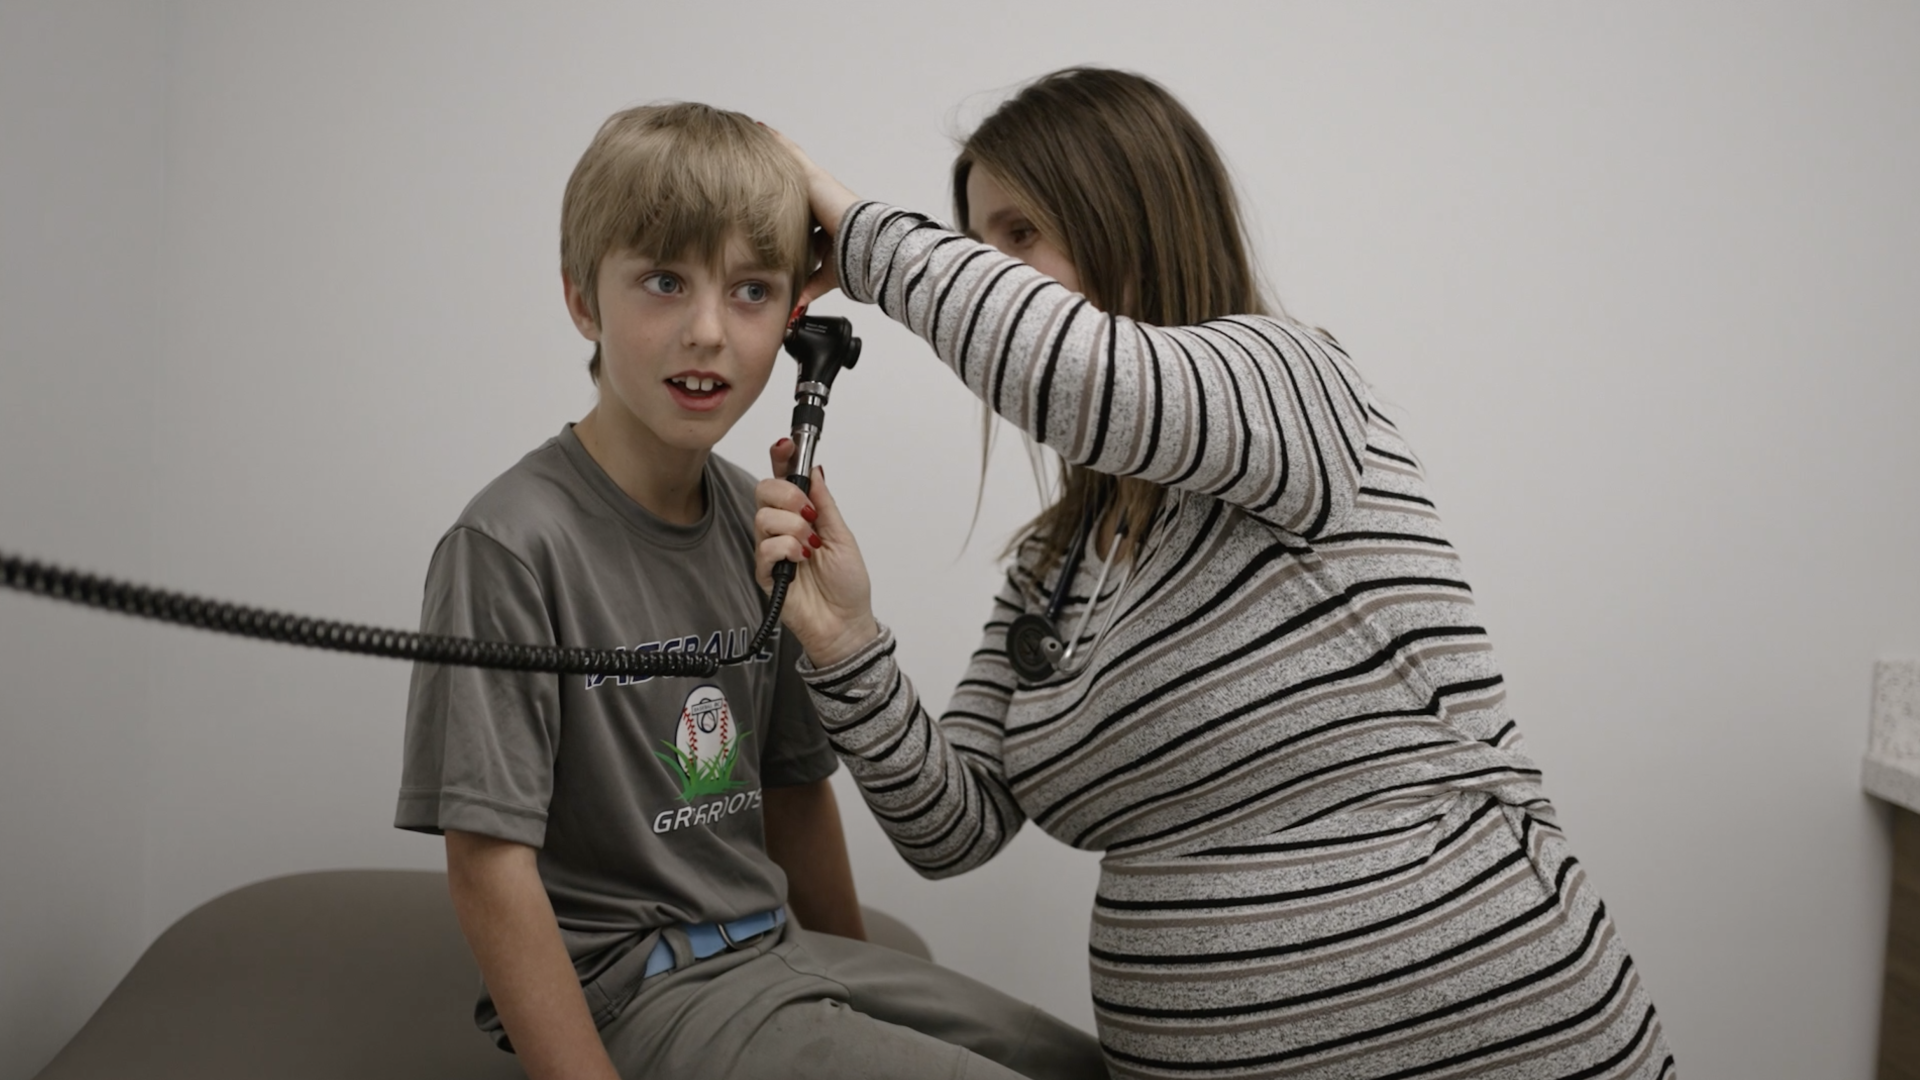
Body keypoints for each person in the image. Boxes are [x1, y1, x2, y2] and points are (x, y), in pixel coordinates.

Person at [755, 68, 1678, 1079]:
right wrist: (847, 643)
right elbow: (952, 825)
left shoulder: (1294, 384)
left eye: (1021, 236)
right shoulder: (1052, 571)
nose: (993, 274)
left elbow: (1077, 375)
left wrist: (857, 231)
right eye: (978, 246)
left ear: (1135, 225)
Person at [393, 102, 1107, 1080]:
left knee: (1079, 1064)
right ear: (581, 300)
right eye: (662, 281)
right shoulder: (512, 545)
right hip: (643, 987)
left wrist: (852, 984)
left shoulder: (756, 522)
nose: (706, 331)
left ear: (794, 320)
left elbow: (794, 785)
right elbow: (487, 866)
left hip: (775, 953)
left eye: (751, 291)